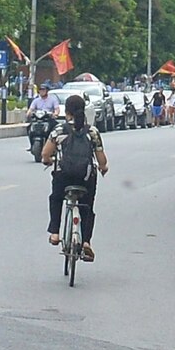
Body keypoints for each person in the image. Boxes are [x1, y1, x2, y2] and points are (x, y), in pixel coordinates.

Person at [40, 92, 108, 261]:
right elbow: (101, 159)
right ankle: (86, 242)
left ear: (67, 111)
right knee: (87, 207)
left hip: (64, 177)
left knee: (56, 198)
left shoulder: (59, 130)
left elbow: (45, 154)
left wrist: (48, 160)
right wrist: (103, 167)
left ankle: (55, 233)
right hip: (85, 178)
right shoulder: (92, 132)